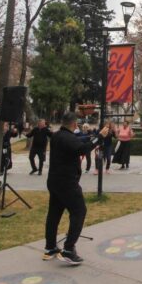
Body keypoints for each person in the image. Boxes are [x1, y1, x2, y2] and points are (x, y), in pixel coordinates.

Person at [44, 112, 110, 265]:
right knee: (79, 211)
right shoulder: (68, 138)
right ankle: (68, 249)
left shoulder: (57, 136)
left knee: (54, 213)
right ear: (74, 125)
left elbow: (78, 142)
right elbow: (82, 149)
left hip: (54, 181)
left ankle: (50, 246)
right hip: (67, 182)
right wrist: (99, 137)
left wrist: (92, 137)